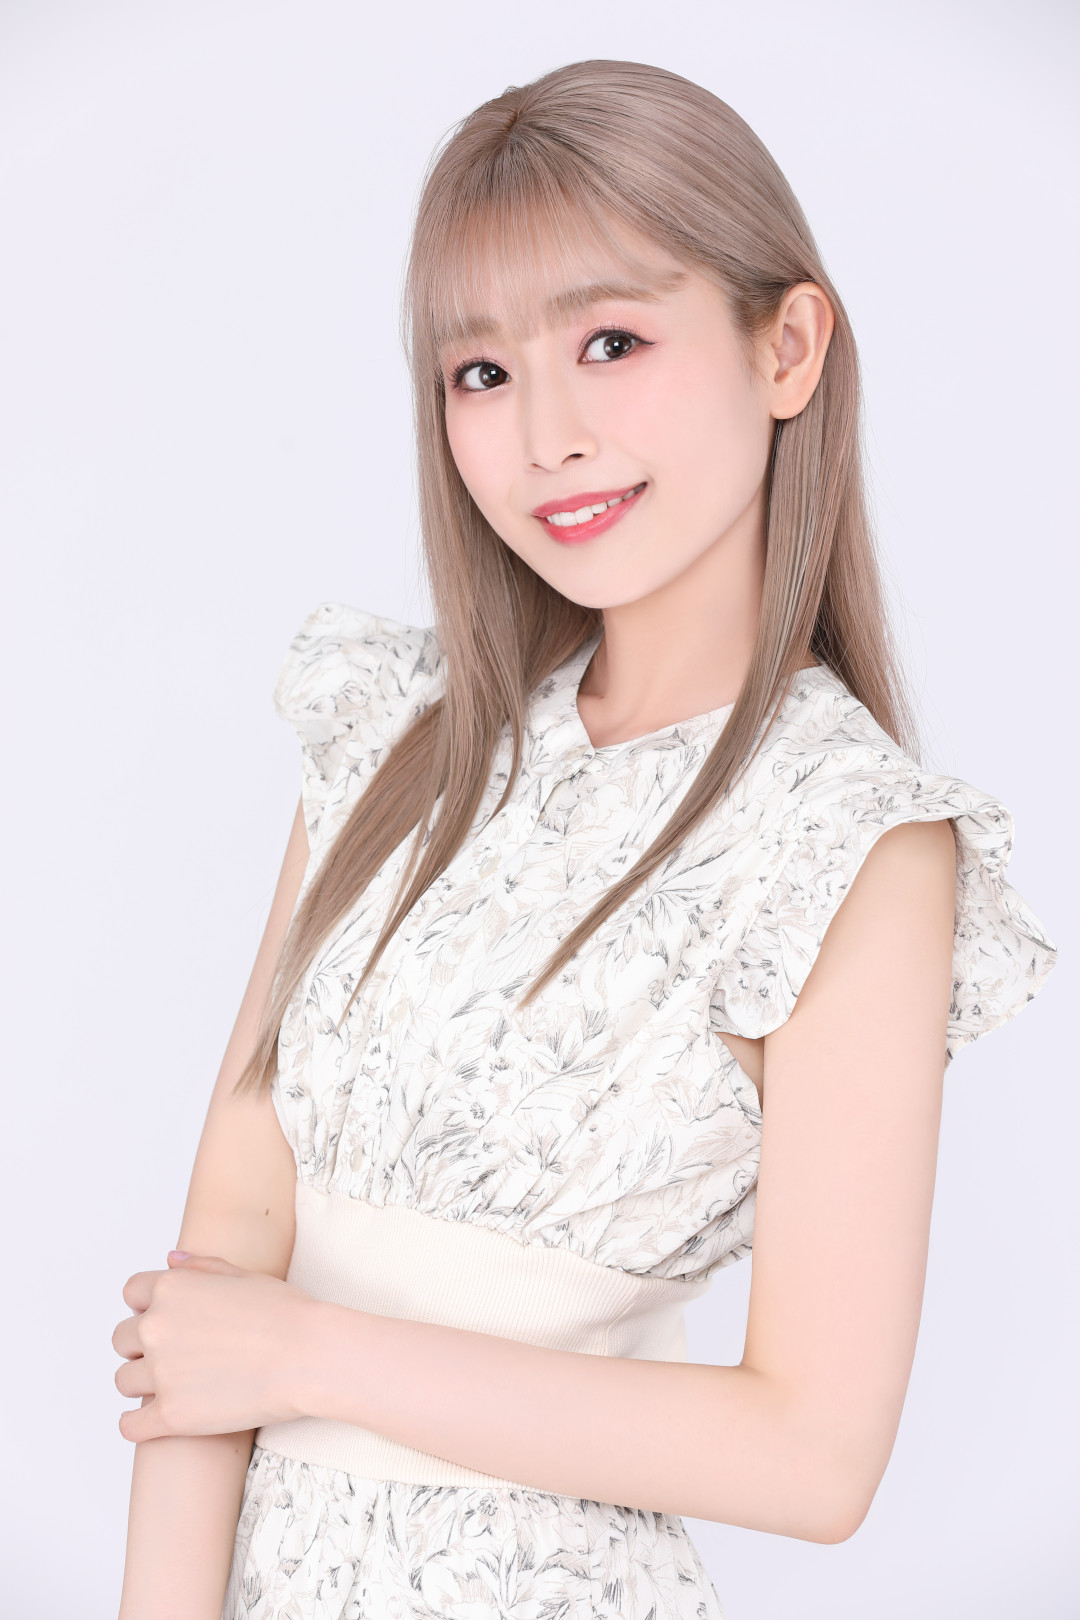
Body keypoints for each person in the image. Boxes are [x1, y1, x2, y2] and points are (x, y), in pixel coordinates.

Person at [112, 59, 1057, 1620]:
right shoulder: (395, 738)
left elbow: (813, 1455)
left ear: (787, 347)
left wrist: (311, 1355)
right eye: (482, 371)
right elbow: (225, 1254)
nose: (546, 434)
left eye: (611, 342)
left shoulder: (850, 843)